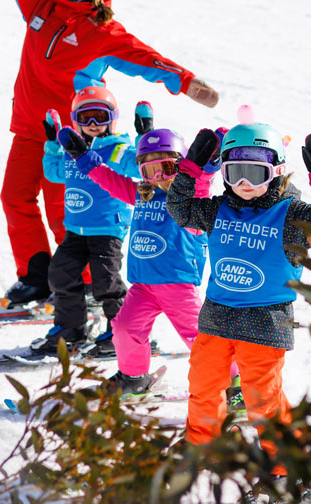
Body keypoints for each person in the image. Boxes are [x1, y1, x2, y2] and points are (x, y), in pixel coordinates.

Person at [0, 0, 220, 306]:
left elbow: (146, 58)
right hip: (29, 125)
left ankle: (88, 283)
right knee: (14, 197)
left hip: (75, 138)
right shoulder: (39, 5)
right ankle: (36, 277)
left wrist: (186, 81)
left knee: (66, 209)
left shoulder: (101, 31)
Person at [165, 122, 311, 478]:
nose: (245, 184)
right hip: (217, 319)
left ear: (276, 170)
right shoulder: (219, 210)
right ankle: (201, 445)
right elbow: (180, 209)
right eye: (235, 174)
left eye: (255, 173)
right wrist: (190, 168)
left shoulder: (291, 215)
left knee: (263, 401)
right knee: (203, 387)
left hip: (264, 324)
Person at [55, 124, 232, 396]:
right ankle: (134, 378)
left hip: (178, 285)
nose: (159, 177)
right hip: (142, 287)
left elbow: (202, 180)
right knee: (125, 328)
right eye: (150, 170)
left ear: (183, 167)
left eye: (168, 168)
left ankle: (236, 383)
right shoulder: (140, 195)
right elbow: (107, 179)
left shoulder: (190, 198)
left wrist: (210, 161)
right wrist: (82, 157)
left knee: (202, 337)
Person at [29, 88, 144, 355]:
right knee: (61, 274)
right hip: (76, 230)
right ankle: (71, 328)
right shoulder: (71, 151)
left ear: (112, 119)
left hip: (107, 228)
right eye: (85, 117)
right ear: (75, 120)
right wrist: (53, 145)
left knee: (106, 283)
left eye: (100, 117)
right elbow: (54, 173)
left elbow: (140, 167)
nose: (93, 124)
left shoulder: (117, 150)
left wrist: (144, 137)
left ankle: (122, 331)